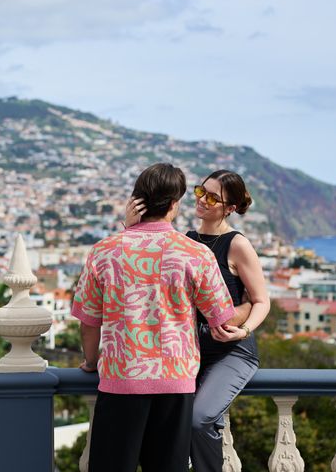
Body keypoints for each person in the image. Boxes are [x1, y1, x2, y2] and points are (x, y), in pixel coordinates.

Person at [72, 163, 236, 472]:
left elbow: (89, 322)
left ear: (137, 201)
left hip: (121, 381)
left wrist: (92, 363)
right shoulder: (197, 254)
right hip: (175, 383)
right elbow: (220, 319)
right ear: (175, 204)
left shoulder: (104, 251)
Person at [126, 169, 271, 471]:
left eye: (212, 197)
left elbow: (261, 300)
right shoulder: (186, 241)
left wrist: (242, 330)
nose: (202, 201)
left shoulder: (237, 244)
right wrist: (132, 228)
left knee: (198, 419)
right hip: (190, 352)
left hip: (231, 352)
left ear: (230, 207)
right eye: (200, 192)